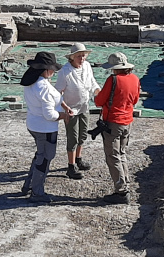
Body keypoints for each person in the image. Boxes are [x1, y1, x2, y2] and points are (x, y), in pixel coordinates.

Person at [20, 51, 71, 203]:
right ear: (47, 70)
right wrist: (64, 115)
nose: (54, 72)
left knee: (40, 155)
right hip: (45, 128)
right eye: (53, 70)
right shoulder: (44, 88)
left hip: (34, 124)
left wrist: (63, 105)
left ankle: (28, 186)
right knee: (45, 158)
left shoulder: (33, 82)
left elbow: (55, 96)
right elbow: (50, 115)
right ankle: (37, 192)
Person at [94, 52, 140, 204]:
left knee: (113, 156)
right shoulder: (134, 79)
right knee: (121, 153)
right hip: (127, 121)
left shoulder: (113, 80)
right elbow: (135, 99)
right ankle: (125, 184)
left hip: (113, 122)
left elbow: (99, 101)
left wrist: (97, 94)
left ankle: (121, 191)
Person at [54, 42, 101, 180]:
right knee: (72, 137)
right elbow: (57, 93)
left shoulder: (86, 66)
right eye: (79, 56)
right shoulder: (65, 71)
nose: (82, 58)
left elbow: (92, 83)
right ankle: (71, 165)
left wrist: (100, 94)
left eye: (83, 55)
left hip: (84, 107)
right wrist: (65, 108)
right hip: (71, 109)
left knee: (82, 135)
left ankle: (78, 159)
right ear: (72, 57)